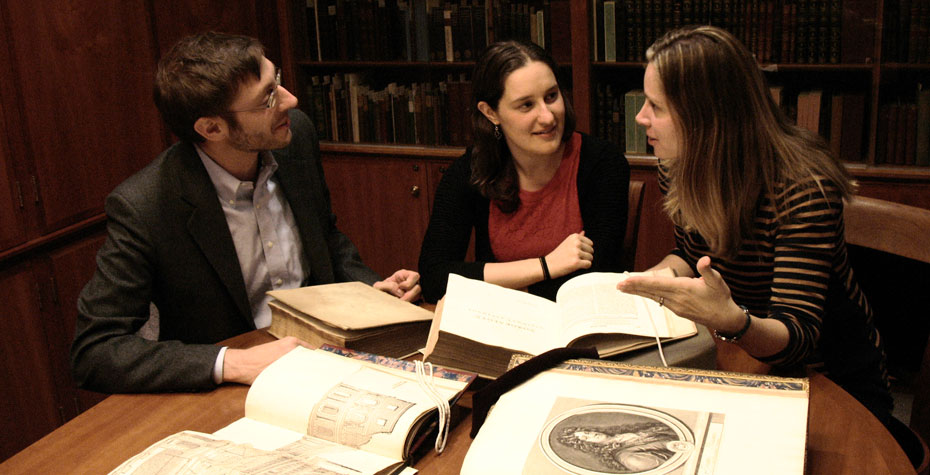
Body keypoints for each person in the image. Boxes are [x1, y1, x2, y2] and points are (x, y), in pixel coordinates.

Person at [615, 25, 922, 465]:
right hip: (744, 359)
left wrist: (732, 320)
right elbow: (689, 253)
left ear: (708, 118)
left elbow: (797, 335)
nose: (642, 117)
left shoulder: (801, 187)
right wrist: (662, 280)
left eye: (657, 107)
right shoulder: (681, 163)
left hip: (831, 373)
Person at [71, 32, 420, 394]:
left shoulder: (293, 135)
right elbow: (95, 350)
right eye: (268, 97)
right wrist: (234, 362)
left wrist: (367, 289)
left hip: (324, 358)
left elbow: (325, 237)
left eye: (277, 81)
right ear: (212, 128)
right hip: (231, 389)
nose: (290, 100)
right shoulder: (146, 205)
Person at [418, 40, 630, 302]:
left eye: (551, 96)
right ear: (490, 112)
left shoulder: (602, 162)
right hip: (499, 326)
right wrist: (547, 265)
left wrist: (489, 284)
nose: (548, 117)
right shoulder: (470, 170)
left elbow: (596, 281)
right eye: (526, 105)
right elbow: (435, 279)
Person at [556, 423, 679, 472]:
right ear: (587, 445)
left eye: (587, 432)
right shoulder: (623, 456)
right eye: (586, 438)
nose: (592, 435)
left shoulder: (624, 432)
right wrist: (668, 444)